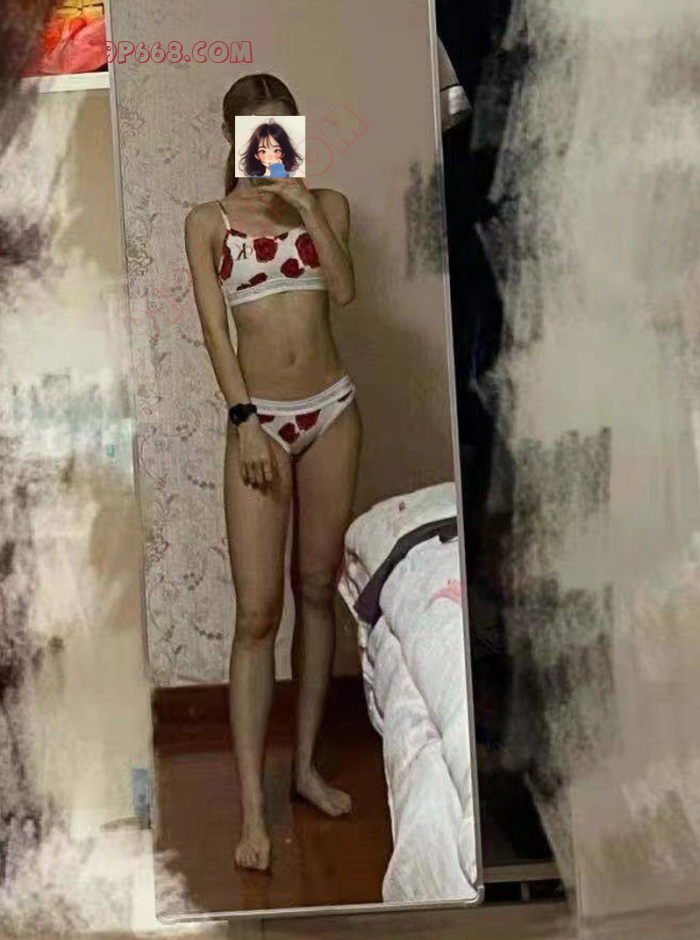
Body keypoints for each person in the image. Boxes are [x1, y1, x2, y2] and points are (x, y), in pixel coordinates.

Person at [184, 73, 361, 873]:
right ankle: (254, 811)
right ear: (232, 138)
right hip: (259, 424)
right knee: (257, 614)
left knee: (317, 589)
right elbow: (215, 335)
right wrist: (243, 421)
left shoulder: (329, 205)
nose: (268, 145)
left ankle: (306, 770)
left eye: (281, 129)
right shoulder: (208, 222)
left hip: (333, 413)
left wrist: (303, 204)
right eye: (255, 132)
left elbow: (346, 292)